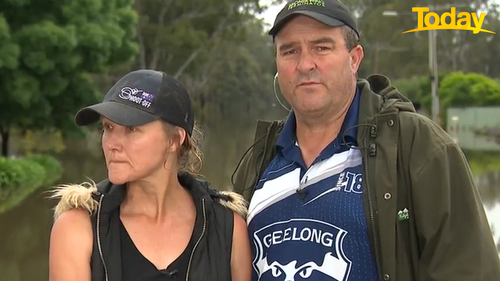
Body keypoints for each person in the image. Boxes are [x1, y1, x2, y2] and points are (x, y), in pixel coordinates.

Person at [231, 0, 500, 280]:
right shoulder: (259, 159)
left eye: (321, 47)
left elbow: (470, 269)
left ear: (354, 58)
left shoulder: (418, 146)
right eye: (290, 51)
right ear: (277, 62)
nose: (305, 64)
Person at [48, 69, 252, 281]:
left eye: (131, 129)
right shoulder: (78, 228)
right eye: (108, 127)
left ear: (174, 140)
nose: (111, 144)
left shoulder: (227, 228)